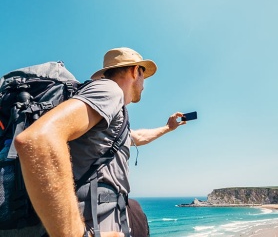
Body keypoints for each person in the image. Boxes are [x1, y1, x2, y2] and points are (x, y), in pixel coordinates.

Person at [12, 47, 185, 237]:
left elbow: (137, 137)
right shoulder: (109, 90)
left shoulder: (111, 111)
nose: (144, 84)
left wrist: (168, 128)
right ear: (135, 71)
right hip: (93, 220)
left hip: (102, 216)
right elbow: (38, 139)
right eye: (144, 76)